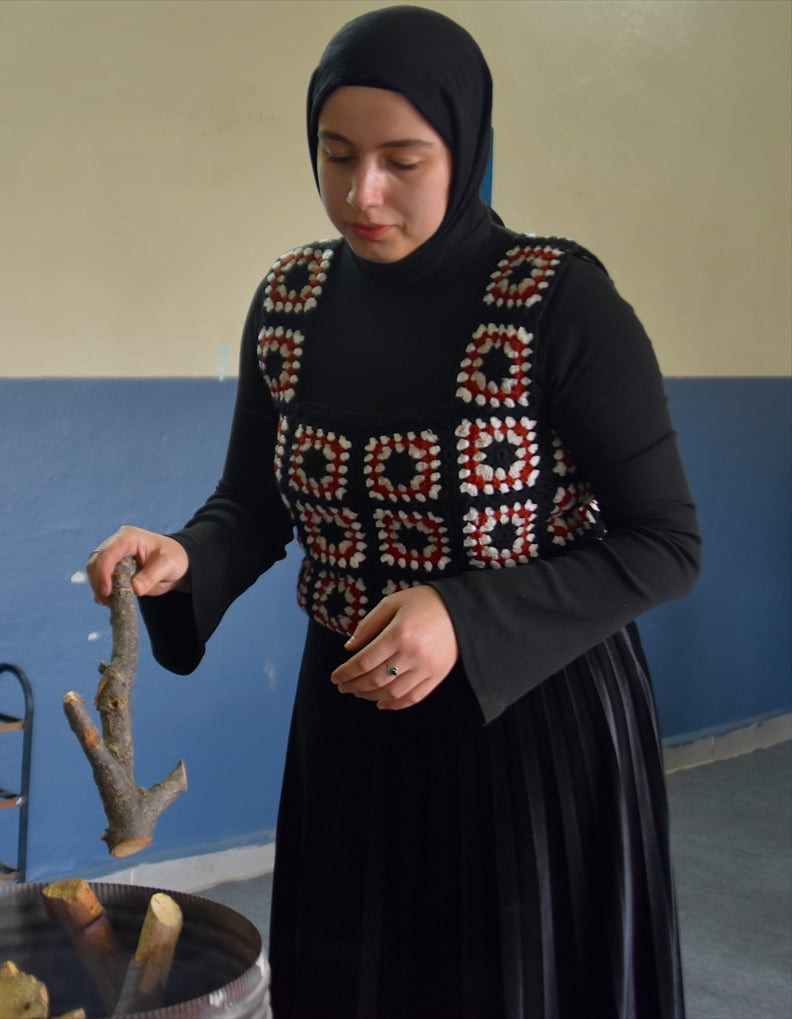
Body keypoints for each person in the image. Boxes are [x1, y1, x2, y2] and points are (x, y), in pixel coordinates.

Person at [85, 6, 700, 1017]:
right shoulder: (290, 302)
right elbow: (253, 503)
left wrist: (465, 614)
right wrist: (185, 556)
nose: (360, 193)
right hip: (355, 730)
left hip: (529, 730)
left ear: (464, 150)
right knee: (359, 981)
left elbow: (667, 544)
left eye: (402, 161)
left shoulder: (558, 301)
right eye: (336, 155)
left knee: (516, 982)